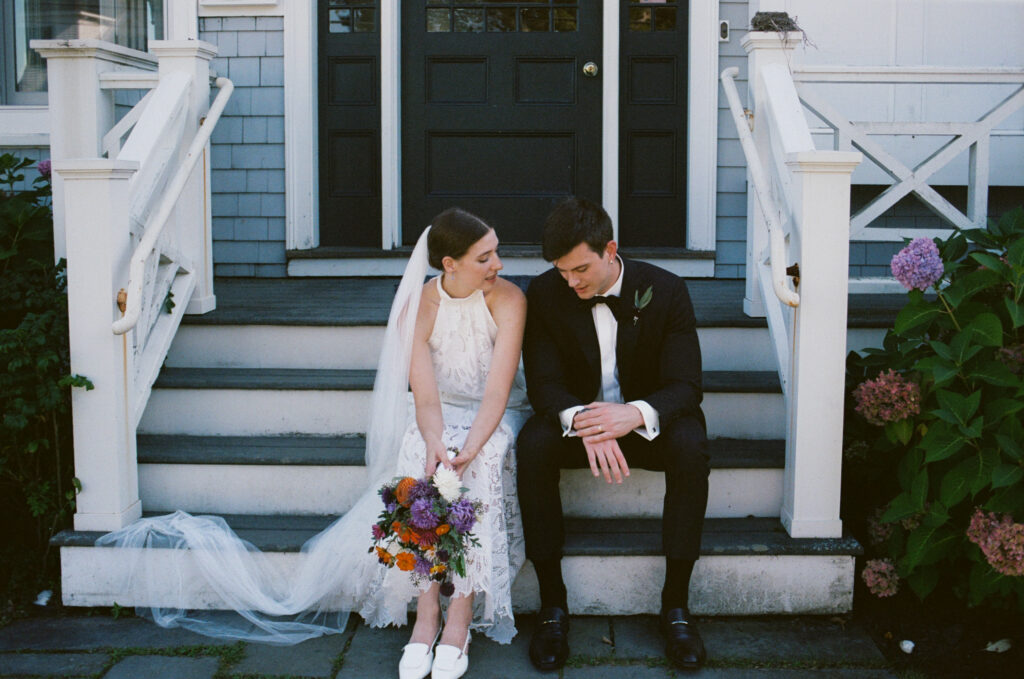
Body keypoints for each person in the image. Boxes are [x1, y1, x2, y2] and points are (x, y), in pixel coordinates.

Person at [98, 208, 528, 679]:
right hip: (436, 412)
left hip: (491, 414)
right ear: (450, 263)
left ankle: (460, 616)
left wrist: (465, 450)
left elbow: (497, 393)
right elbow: (425, 400)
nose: (499, 265)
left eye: (496, 253)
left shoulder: (508, 299)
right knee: (420, 456)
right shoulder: (417, 304)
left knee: (478, 457)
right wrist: (434, 443)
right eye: (486, 257)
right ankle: (426, 613)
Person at [516, 197, 710, 672]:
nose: (571, 281)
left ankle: (676, 607)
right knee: (533, 446)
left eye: (580, 269)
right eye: (562, 272)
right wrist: (588, 422)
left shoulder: (665, 290)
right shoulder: (542, 295)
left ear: (610, 250)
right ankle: (553, 607)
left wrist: (631, 415)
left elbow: (687, 385)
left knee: (691, 444)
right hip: (579, 420)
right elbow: (543, 384)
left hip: (644, 421)